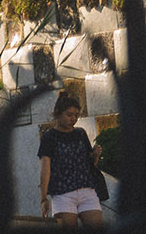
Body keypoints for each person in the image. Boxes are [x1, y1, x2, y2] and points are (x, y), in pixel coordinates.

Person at [39, 92, 104, 227]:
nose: (73, 119)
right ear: (58, 113)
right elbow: (46, 167)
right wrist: (44, 198)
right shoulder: (49, 137)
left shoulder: (80, 133)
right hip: (62, 193)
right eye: (69, 115)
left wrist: (95, 154)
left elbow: (90, 163)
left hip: (87, 190)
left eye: (76, 115)